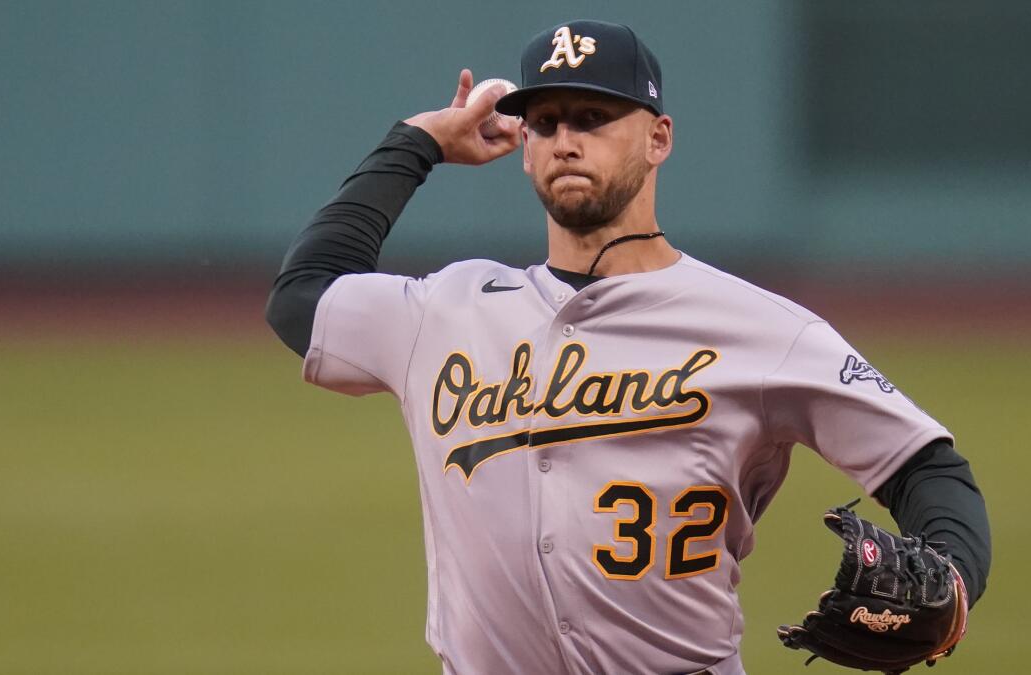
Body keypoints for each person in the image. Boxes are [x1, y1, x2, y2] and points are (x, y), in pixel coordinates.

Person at [266, 19, 991, 675]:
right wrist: (418, 142)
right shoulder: (447, 308)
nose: (565, 140)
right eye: (543, 123)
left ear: (658, 138)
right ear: (523, 148)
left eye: (594, 116)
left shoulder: (758, 327)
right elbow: (302, 295)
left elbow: (925, 464)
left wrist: (951, 583)